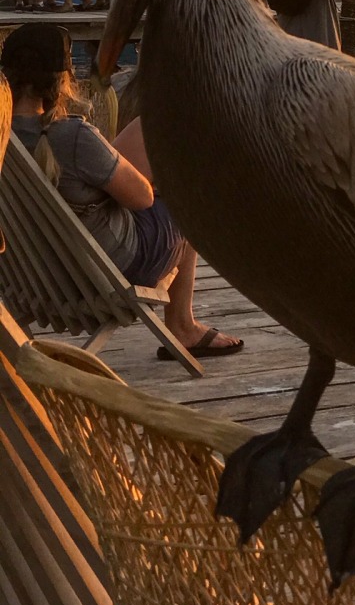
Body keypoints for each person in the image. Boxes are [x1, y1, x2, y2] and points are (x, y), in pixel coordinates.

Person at [1, 23, 243, 359]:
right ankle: (183, 327)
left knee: (137, 142)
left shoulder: (6, 139)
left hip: (36, 276)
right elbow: (141, 199)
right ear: (61, 80)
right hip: (107, 270)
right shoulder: (70, 136)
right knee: (183, 195)